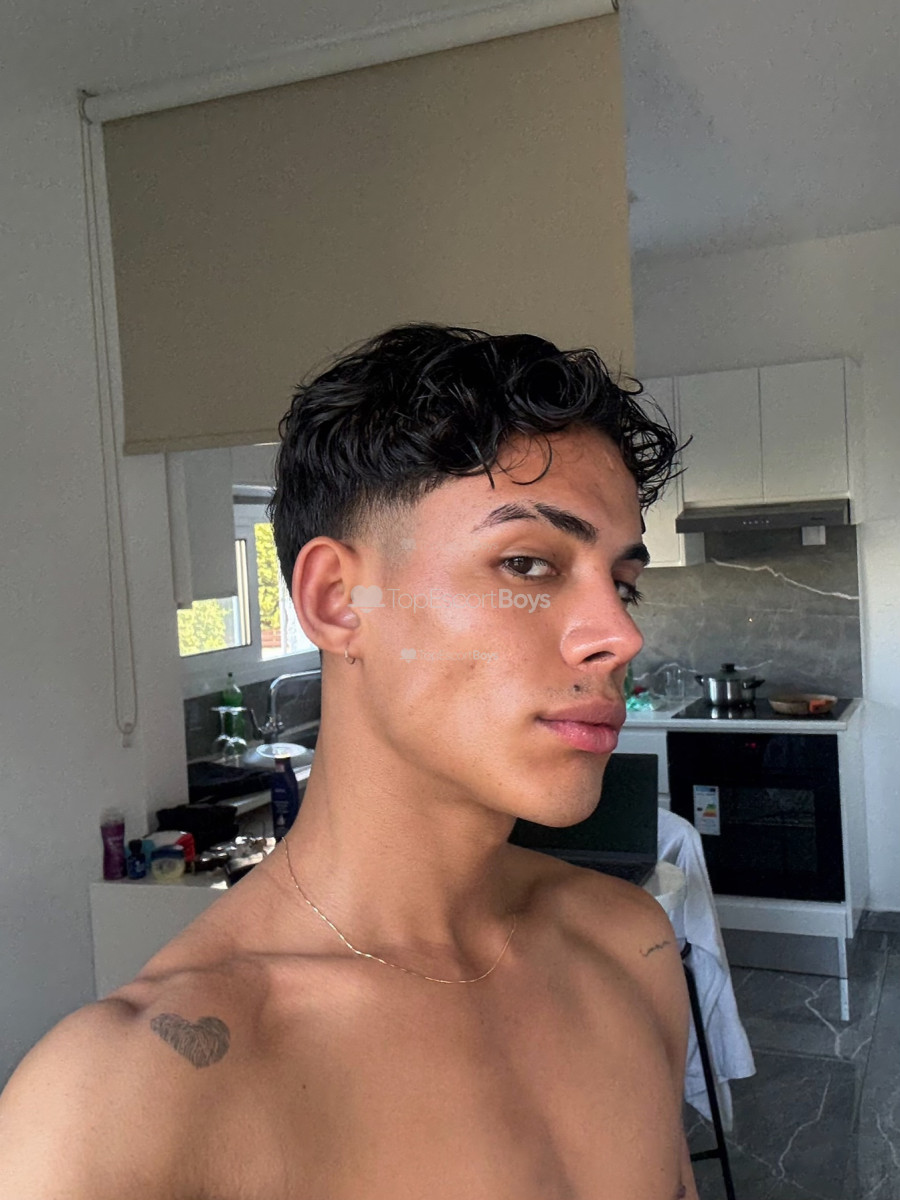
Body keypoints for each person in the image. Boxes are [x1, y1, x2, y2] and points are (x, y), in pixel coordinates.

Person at [0, 324, 698, 1199]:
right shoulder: (122, 1105)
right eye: (527, 564)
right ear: (338, 601)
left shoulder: (627, 945)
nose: (620, 635)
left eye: (622, 583)